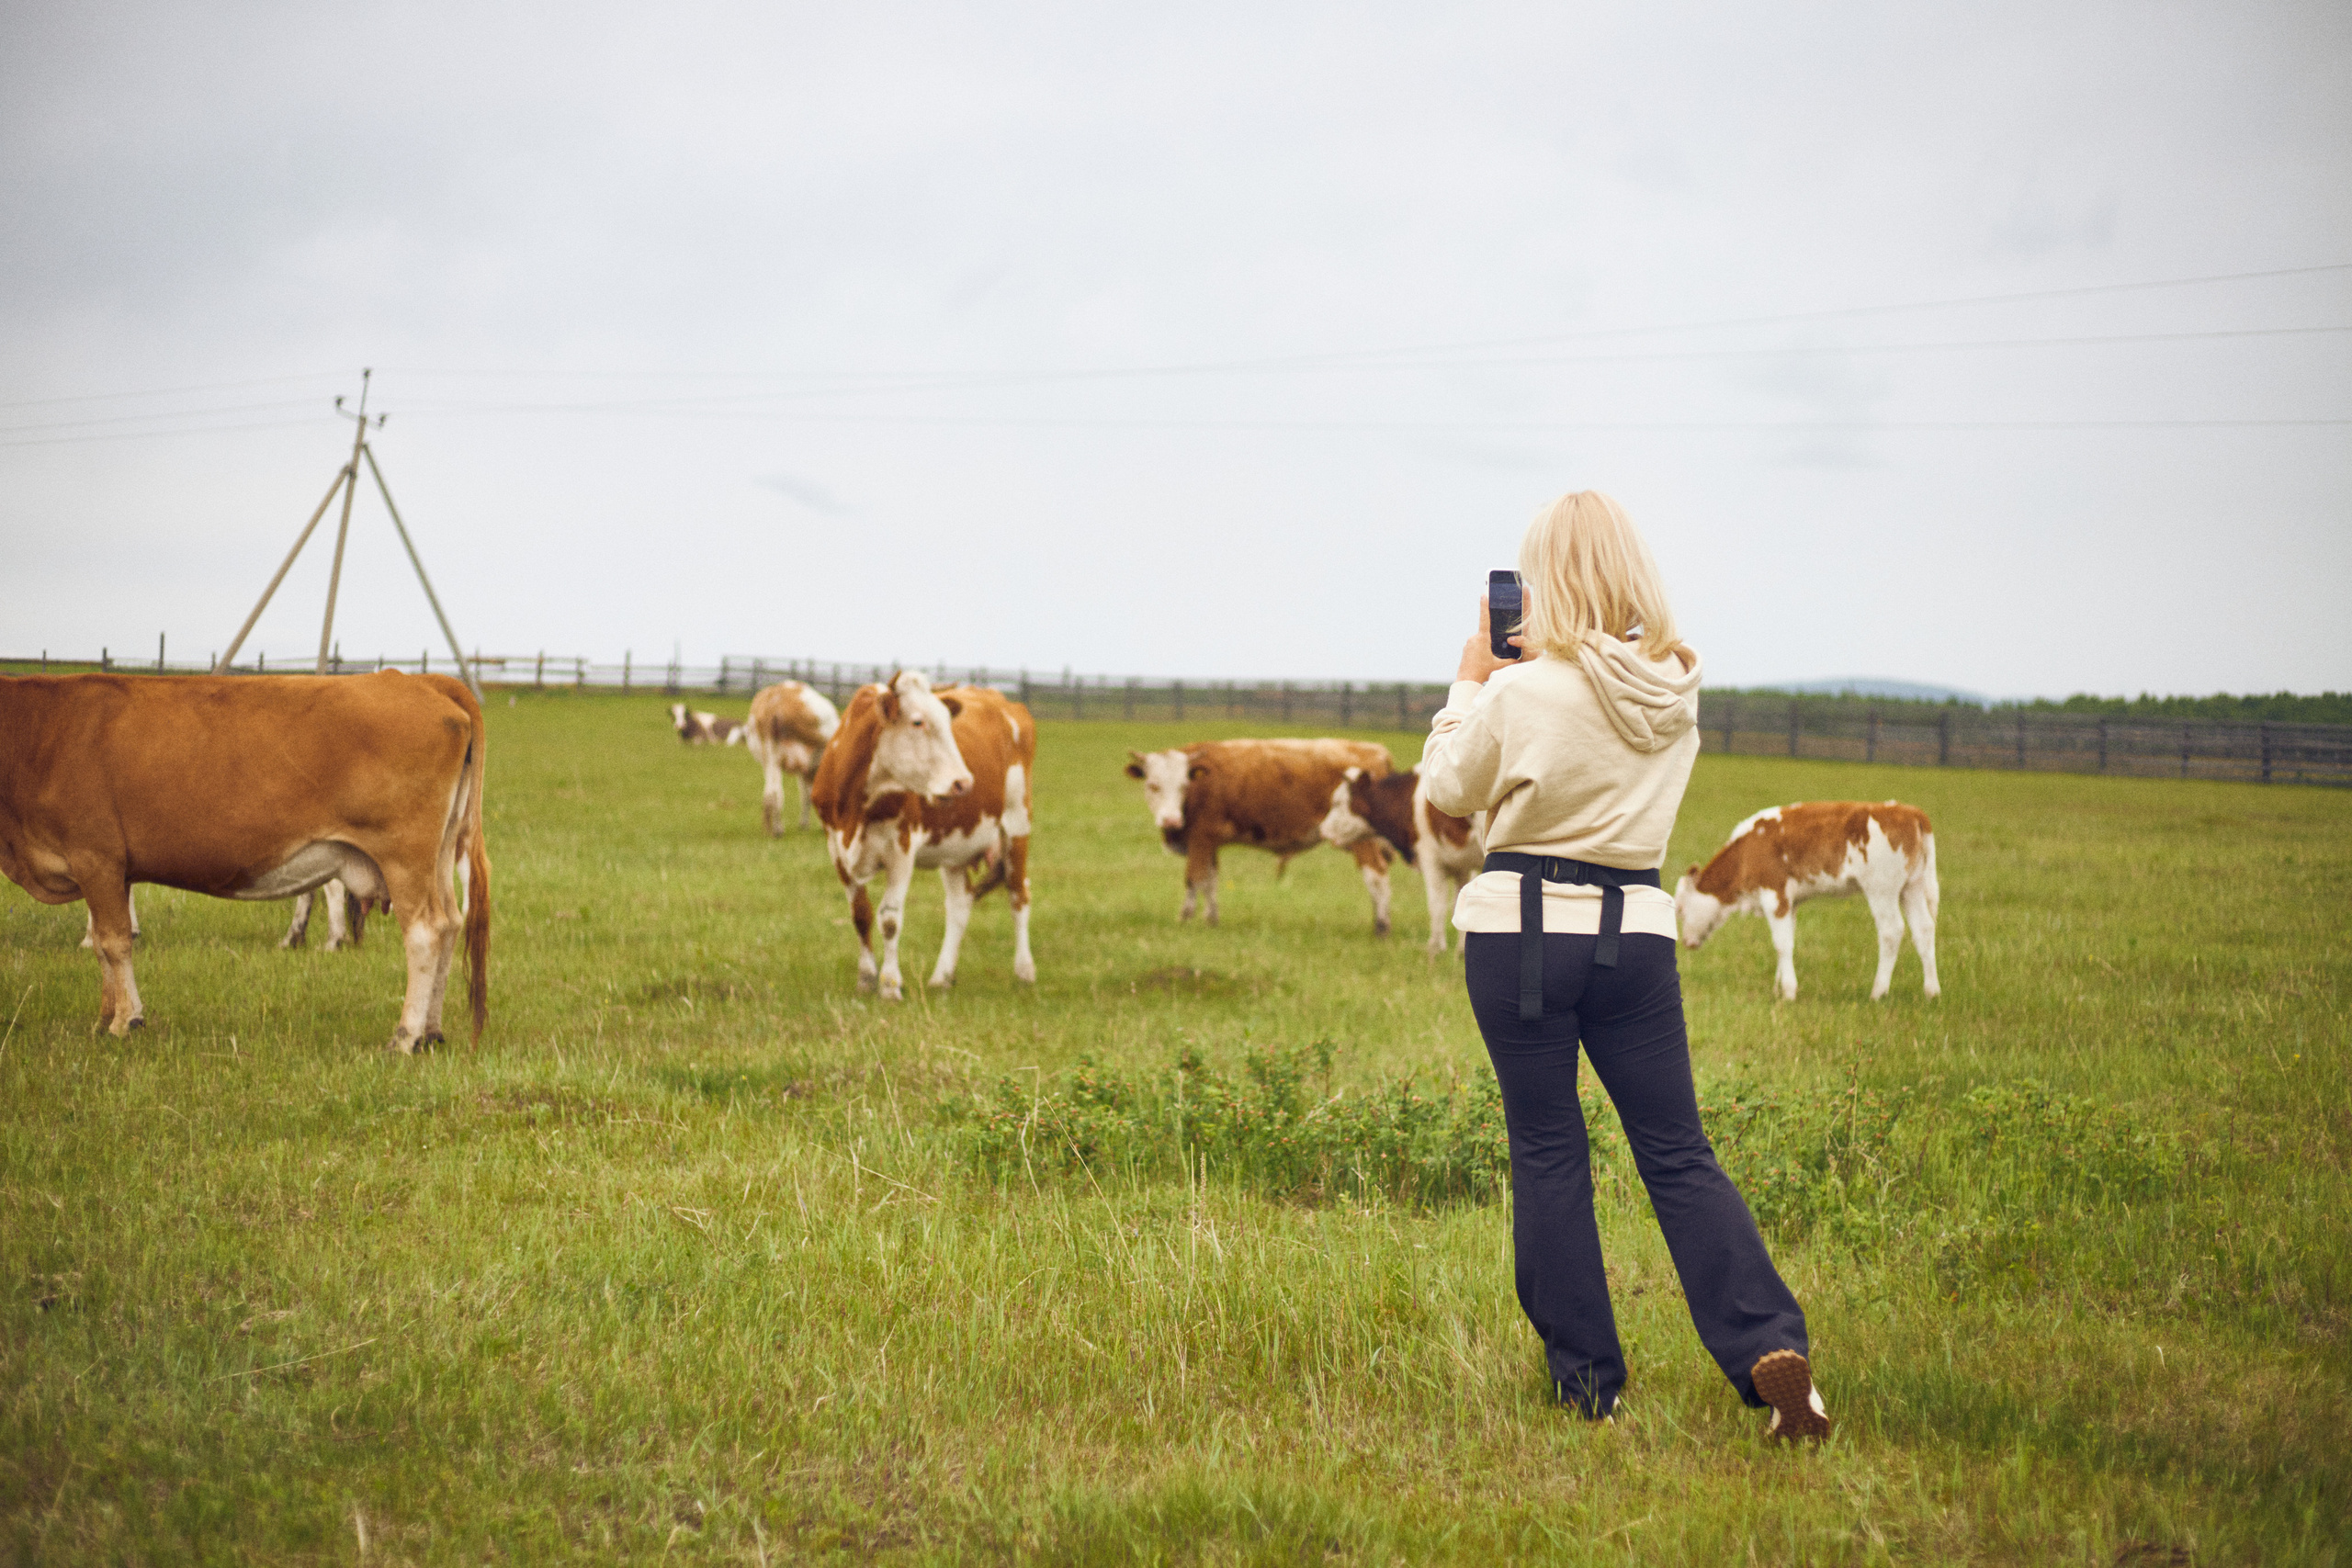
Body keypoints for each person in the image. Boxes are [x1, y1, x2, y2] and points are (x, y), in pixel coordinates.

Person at [1419, 489, 1829, 1440]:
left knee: (1550, 1151)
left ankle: (1588, 1386)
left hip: (1521, 930)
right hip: (1634, 932)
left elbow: (1446, 788)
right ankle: (1772, 1350)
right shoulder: (1673, 693)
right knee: (1678, 1151)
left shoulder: (1520, 690)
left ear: (1543, 585)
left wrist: (1469, 677)